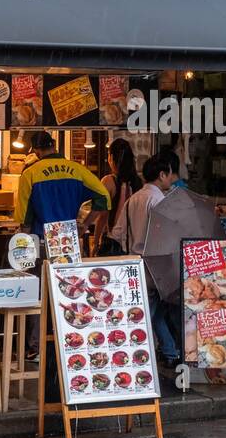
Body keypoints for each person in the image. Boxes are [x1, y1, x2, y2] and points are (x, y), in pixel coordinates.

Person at [14, 131, 110, 357]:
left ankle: (37, 348)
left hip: (41, 242)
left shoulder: (31, 173)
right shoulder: (77, 169)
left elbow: (25, 219)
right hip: (68, 241)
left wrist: (21, 250)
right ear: (54, 145)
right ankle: (70, 343)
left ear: (35, 150)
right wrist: (84, 225)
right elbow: (104, 198)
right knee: (70, 292)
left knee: (38, 295)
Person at [110, 154, 182, 366]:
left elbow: (117, 231)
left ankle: (169, 351)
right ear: (162, 174)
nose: (173, 178)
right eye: (171, 174)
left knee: (156, 311)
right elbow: (167, 237)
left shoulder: (134, 199)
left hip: (136, 264)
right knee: (147, 314)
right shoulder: (159, 201)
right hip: (158, 267)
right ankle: (128, 351)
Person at [95, 139, 142, 255]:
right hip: (134, 241)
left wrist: (95, 243)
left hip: (113, 242)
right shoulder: (138, 182)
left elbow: (102, 216)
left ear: (111, 157)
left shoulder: (108, 181)